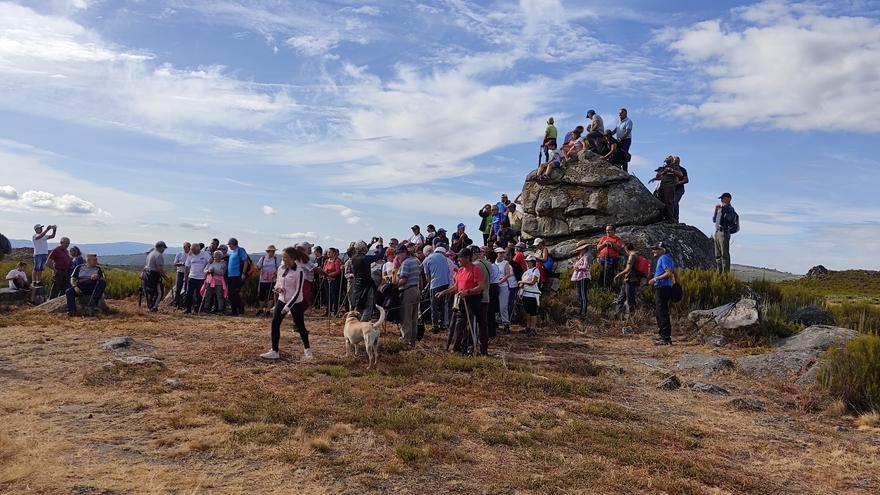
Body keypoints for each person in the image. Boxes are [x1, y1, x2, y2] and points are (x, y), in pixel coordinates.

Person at [260, 246, 313, 360]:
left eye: (286, 257)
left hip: (296, 302)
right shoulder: (281, 268)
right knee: (275, 323)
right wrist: (277, 288)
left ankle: (307, 349)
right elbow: (278, 283)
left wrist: (287, 308)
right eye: (282, 257)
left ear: (293, 258)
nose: (283, 260)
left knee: (300, 326)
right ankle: (274, 351)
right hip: (282, 299)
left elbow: (298, 292)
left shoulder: (299, 271)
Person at [350, 239, 384, 321]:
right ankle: (362, 325)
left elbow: (363, 251)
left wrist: (370, 244)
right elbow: (380, 256)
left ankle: (357, 324)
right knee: (368, 307)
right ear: (363, 248)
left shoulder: (353, 258)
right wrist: (380, 245)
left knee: (359, 306)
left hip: (356, 286)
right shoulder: (366, 258)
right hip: (367, 286)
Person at [396, 244, 421, 348]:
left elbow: (403, 279)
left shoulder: (405, 263)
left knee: (406, 317)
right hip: (416, 289)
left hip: (407, 290)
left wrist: (394, 286)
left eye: (399, 254)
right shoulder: (415, 261)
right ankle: (412, 342)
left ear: (404, 252)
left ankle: (405, 342)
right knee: (414, 318)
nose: (398, 256)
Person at [423, 243, 451, 333]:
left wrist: (430, 284)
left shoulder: (427, 260)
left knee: (434, 306)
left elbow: (427, 277)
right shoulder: (443, 257)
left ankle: (435, 326)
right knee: (442, 305)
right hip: (445, 283)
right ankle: (442, 324)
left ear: (426, 253)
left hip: (435, 283)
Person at [614, 242, 645, 318]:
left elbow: (628, 269)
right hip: (631, 280)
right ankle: (617, 315)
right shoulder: (637, 254)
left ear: (626, 248)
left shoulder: (632, 256)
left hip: (630, 280)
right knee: (621, 297)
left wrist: (618, 275)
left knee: (630, 299)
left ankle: (631, 317)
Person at [472, 246, 493, 353]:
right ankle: (484, 348)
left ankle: (474, 346)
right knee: (483, 324)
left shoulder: (475, 265)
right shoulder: (489, 264)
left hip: (477, 297)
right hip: (486, 296)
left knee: (474, 324)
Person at [183, 242, 211, 314]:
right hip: (191, 277)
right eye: (192, 250)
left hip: (201, 278)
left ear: (199, 249)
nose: (193, 252)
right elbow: (187, 266)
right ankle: (188, 309)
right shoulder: (190, 254)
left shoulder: (205, 254)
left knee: (199, 295)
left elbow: (210, 262)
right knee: (189, 293)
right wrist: (185, 276)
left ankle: (197, 309)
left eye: (195, 250)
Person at [713, 192, 737, 274]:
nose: (722, 200)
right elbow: (714, 220)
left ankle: (725, 275)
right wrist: (716, 211)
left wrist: (723, 209)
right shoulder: (721, 208)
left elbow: (729, 219)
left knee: (724, 255)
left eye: (723, 198)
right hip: (717, 232)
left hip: (724, 232)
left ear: (728, 199)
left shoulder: (730, 209)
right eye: (721, 199)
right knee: (717, 255)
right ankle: (719, 273)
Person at [225, 238, 249, 316]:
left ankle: (241, 310)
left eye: (230, 245)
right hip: (230, 276)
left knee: (235, 293)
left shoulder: (240, 250)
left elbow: (245, 262)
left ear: (233, 244)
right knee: (231, 294)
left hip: (237, 275)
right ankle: (234, 311)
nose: (229, 246)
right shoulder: (232, 252)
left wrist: (243, 273)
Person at [519, 255, 541, 337]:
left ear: (532, 262)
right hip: (525, 294)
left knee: (533, 312)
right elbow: (523, 283)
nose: (527, 263)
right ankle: (528, 327)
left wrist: (522, 282)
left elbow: (533, 282)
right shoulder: (525, 272)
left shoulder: (535, 270)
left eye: (528, 261)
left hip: (532, 294)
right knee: (527, 311)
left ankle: (533, 328)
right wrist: (521, 284)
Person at [494, 247, 515, 334]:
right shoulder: (494, 263)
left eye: (502, 253)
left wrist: (499, 282)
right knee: (495, 305)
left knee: (503, 306)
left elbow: (507, 275)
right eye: (500, 253)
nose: (501, 254)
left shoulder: (505, 263)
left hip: (503, 286)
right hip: (495, 286)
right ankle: (495, 322)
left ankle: (506, 323)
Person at [571, 241, 593, 320]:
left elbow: (586, 266)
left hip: (584, 276)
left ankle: (583, 312)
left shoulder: (586, 256)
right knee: (580, 295)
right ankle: (581, 311)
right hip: (580, 277)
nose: (579, 251)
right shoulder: (582, 256)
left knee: (583, 295)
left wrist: (577, 267)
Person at [255, 245, 281, 317]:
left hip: (273, 279)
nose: (272, 252)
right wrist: (259, 268)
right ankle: (261, 309)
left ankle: (268, 310)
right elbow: (258, 266)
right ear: (267, 251)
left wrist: (276, 273)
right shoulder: (263, 258)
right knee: (261, 294)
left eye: (273, 251)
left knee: (271, 295)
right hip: (263, 279)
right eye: (271, 251)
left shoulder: (276, 259)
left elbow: (279, 268)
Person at [201, 250, 228, 314]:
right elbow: (204, 270)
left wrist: (214, 271)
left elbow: (222, 272)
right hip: (209, 281)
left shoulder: (223, 263)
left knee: (219, 296)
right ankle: (206, 309)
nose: (215, 257)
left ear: (221, 256)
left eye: (218, 255)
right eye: (215, 255)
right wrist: (208, 271)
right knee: (208, 295)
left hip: (219, 282)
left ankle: (220, 310)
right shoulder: (210, 263)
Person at [596, 225, 622, 290]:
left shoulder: (617, 239)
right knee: (602, 274)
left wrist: (612, 244)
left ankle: (609, 289)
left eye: (609, 230)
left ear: (614, 231)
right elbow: (598, 248)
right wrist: (604, 244)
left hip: (612, 260)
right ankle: (601, 289)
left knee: (610, 274)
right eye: (606, 230)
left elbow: (619, 249)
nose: (607, 231)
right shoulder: (603, 238)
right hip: (603, 259)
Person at [144, 241, 167, 312]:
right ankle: (153, 307)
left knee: (151, 292)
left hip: (148, 274)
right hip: (154, 275)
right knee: (159, 293)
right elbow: (159, 268)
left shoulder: (150, 254)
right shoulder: (158, 255)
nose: (164, 250)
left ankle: (151, 306)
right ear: (160, 247)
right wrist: (166, 278)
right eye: (164, 248)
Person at [322, 247, 343, 316]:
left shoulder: (337, 261)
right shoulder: (326, 261)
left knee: (334, 296)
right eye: (328, 252)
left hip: (334, 280)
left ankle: (336, 311)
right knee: (328, 296)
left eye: (330, 252)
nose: (328, 253)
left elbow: (338, 271)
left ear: (334, 253)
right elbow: (324, 269)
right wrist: (324, 274)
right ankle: (328, 311)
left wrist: (328, 275)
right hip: (326, 280)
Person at [172, 242, 191, 308]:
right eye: (185, 247)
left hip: (188, 273)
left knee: (185, 289)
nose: (186, 248)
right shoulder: (179, 254)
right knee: (178, 288)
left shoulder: (191, 254)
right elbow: (175, 263)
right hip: (180, 272)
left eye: (188, 247)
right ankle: (176, 302)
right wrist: (182, 264)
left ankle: (182, 303)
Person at [673, 156, 688, 222]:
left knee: (675, 201)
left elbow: (686, 180)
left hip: (679, 189)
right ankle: (672, 218)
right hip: (671, 189)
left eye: (677, 161)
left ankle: (675, 219)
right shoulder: (669, 168)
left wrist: (678, 183)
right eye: (675, 161)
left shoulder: (682, 170)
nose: (676, 163)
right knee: (672, 202)